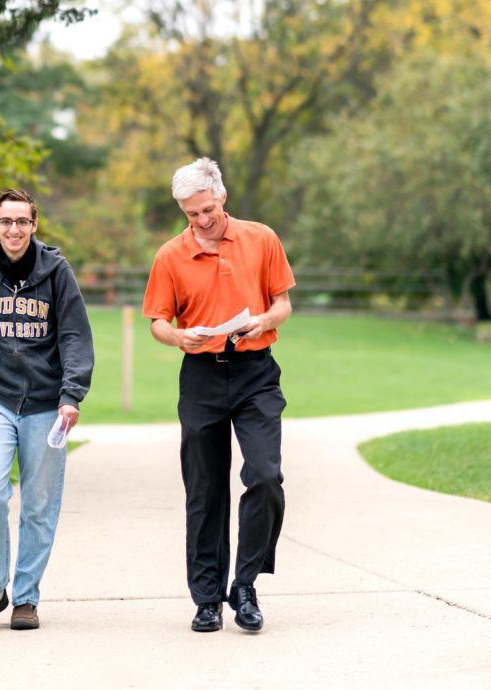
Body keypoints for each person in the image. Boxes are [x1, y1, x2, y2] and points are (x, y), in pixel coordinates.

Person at [142, 158, 295, 634]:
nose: (202, 220)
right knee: (205, 492)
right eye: (191, 214)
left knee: (266, 476)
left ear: (222, 196)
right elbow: (158, 322)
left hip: (255, 372)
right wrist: (178, 338)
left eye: (207, 209)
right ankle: (206, 599)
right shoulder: (170, 255)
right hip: (202, 376)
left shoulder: (262, 238)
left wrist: (264, 321)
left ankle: (245, 585)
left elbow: (283, 303)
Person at [0, 188, 94, 632]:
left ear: (35, 226)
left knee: (38, 505)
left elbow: (74, 336)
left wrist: (72, 396)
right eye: (6, 221)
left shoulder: (56, 273)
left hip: (47, 406)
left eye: (22, 222)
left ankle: (26, 598)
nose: (14, 230)